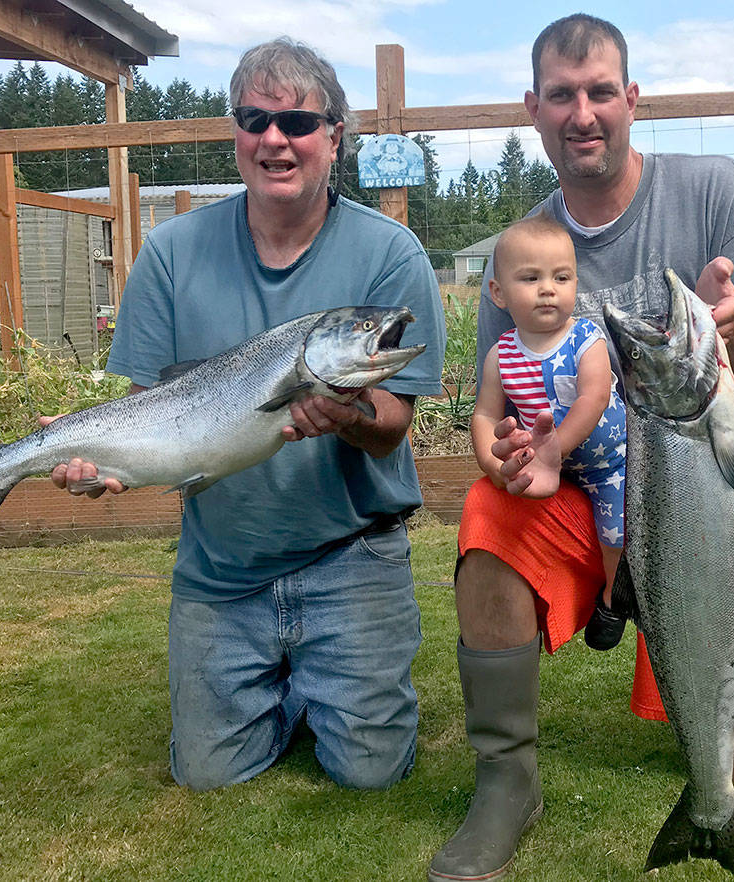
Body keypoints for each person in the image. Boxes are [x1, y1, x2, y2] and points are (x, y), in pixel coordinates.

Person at [428, 15, 734, 882]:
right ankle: (506, 784)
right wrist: (504, 450)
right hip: (603, 505)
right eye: (563, 96)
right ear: (532, 109)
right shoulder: (522, 251)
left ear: (632, 100)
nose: (584, 113)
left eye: (601, 91)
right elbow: (509, 406)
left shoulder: (719, 193)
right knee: (486, 511)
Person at [46, 37, 446, 792]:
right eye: (255, 118)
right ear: (236, 132)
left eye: (297, 123)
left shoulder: (392, 257)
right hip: (222, 567)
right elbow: (148, 414)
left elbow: (394, 424)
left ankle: (316, 679)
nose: (274, 139)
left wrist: (352, 415)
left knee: (370, 775)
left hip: (351, 557)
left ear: (334, 136)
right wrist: (99, 464)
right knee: (207, 776)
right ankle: (297, 685)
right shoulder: (170, 252)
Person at [469, 214, 627, 643]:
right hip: (546, 466)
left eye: (561, 277)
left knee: (618, 532)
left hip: (609, 462)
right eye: (530, 278)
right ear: (498, 293)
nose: (547, 289)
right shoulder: (501, 356)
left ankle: (614, 598)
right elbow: (484, 415)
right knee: (507, 515)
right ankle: (522, 611)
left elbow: (593, 399)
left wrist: (555, 446)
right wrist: (493, 463)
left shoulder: (586, 339)